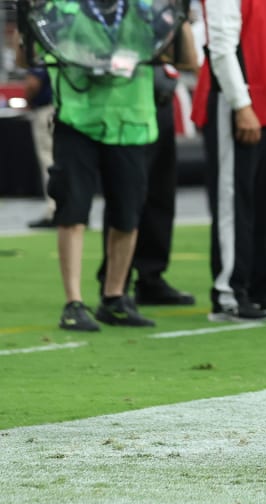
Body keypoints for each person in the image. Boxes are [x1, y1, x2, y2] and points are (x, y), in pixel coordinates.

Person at [37, 0, 163, 331]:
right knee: (72, 210)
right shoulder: (62, 7)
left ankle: (114, 298)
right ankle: (73, 302)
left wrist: (180, 22)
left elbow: (184, 56)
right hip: (77, 119)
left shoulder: (145, 7)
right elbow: (32, 54)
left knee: (128, 214)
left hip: (130, 120)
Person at [191, 0, 266, 322]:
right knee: (234, 197)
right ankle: (230, 291)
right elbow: (221, 47)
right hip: (237, 99)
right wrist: (241, 105)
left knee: (261, 197)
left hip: (265, 100)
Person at [97, 20, 198, 306]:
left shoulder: (162, 10)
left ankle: (151, 276)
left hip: (160, 101)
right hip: (128, 103)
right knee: (126, 194)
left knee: (160, 195)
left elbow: (186, 57)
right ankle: (115, 281)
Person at [23, 66, 56, 230]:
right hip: (66, 110)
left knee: (48, 162)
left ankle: (54, 211)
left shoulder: (42, 49)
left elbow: (32, 84)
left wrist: (27, 100)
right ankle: (74, 211)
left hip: (47, 110)